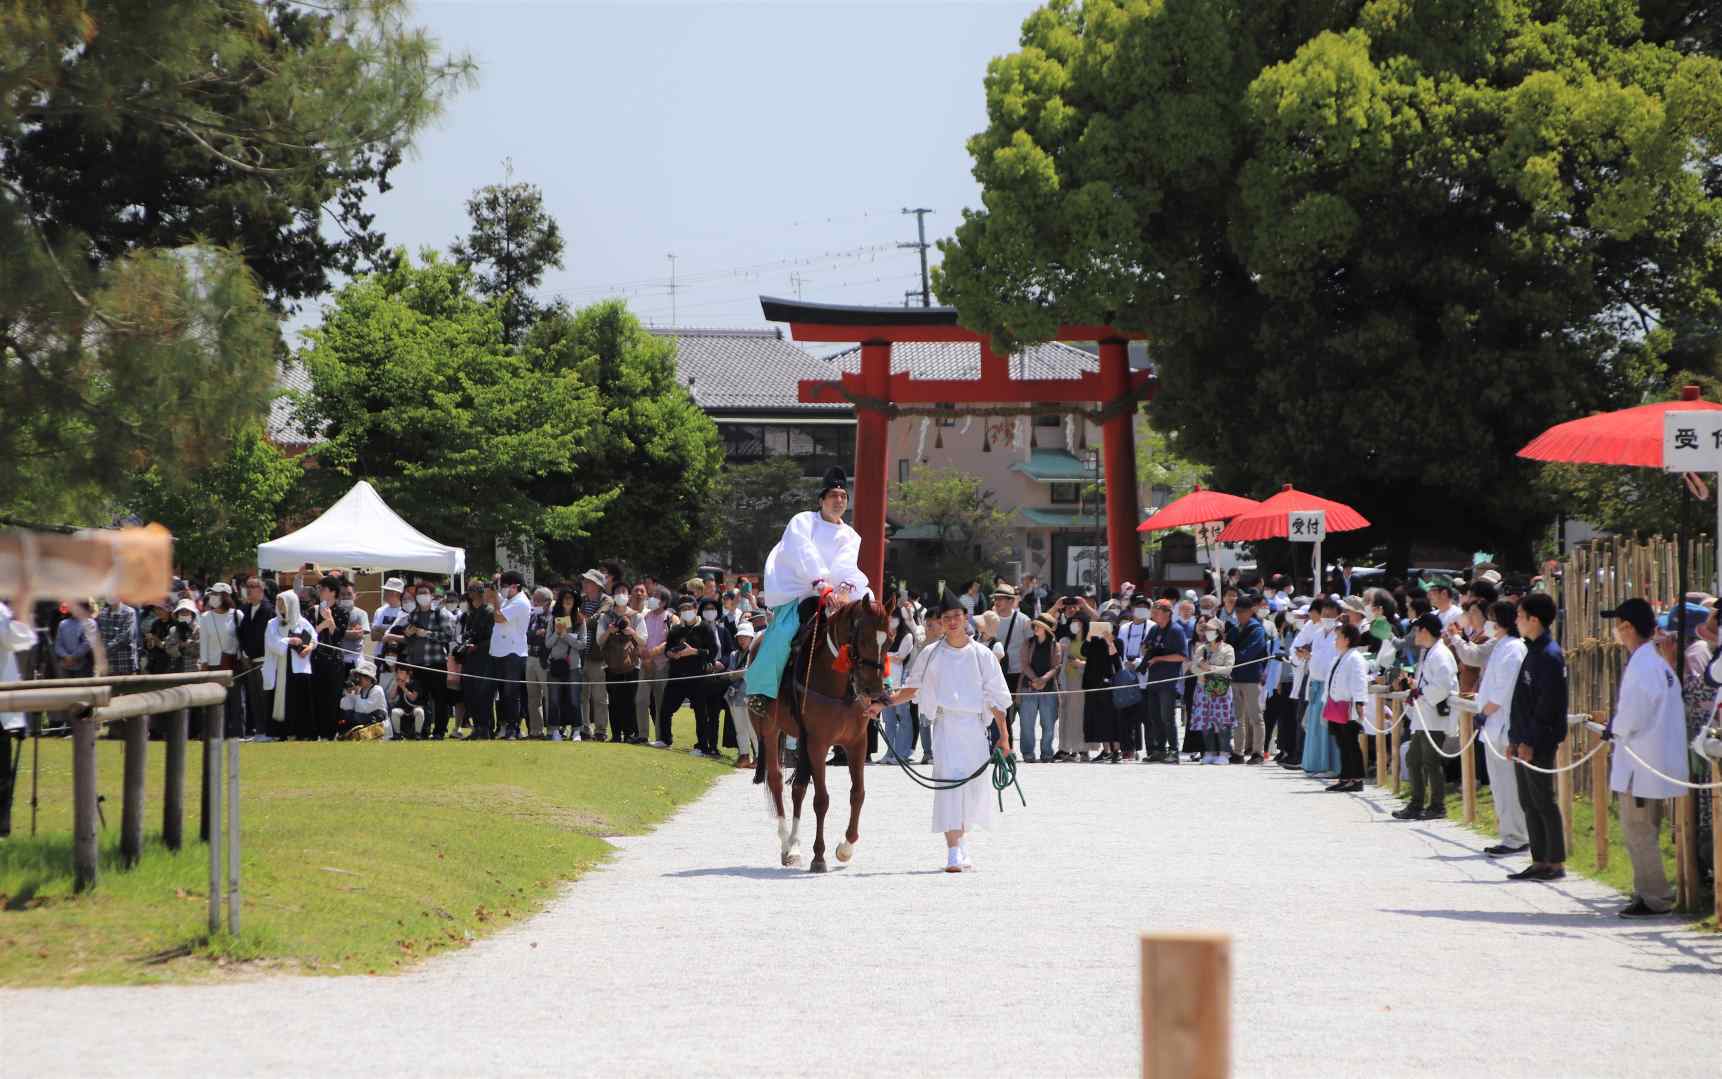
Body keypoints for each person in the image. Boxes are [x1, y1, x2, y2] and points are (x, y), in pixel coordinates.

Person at [878, 589, 1013, 872]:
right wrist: (883, 704)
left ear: (965, 618)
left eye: (956, 616)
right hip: (946, 726)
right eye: (947, 617)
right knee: (948, 785)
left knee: (970, 788)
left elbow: (996, 697)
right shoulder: (930, 654)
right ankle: (953, 851)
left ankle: (962, 846)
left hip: (975, 727)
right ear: (941, 621)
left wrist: (1004, 736)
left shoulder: (982, 655)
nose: (952, 621)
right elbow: (912, 688)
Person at [1601, 597, 1688, 916]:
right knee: (1643, 829)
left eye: (1618, 625)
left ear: (1627, 627)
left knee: (1640, 831)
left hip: (1642, 761)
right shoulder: (1653, 662)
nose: (1616, 632)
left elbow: (1633, 713)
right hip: (1651, 759)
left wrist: (1614, 728)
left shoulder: (1642, 663)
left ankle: (1654, 896)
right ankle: (1646, 891)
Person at [1506, 591, 1569, 882]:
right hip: (1522, 739)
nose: (1516, 621)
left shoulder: (1549, 655)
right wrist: (1514, 738)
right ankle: (1539, 858)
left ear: (1534, 619)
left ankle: (1555, 861)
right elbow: (1522, 702)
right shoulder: (1532, 650)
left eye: (1520, 616)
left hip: (1538, 741)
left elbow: (1547, 705)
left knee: (1543, 799)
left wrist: (1530, 740)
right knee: (1528, 801)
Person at [1471, 599, 1530, 855]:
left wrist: (1485, 712)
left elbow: (1504, 688)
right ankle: (1509, 832)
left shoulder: (1514, 648)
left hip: (1502, 723)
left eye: (1492, 618)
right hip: (1493, 724)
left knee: (1508, 784)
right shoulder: (1500, 646)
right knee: (1499, 784)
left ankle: (1516, 837)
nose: (1488, 623)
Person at [1394, 613, 1457, 820]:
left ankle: (1437, 805)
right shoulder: (1428, 652)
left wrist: (1422, 693)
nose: (1414, 635)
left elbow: (1443, 686)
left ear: (1425, 631)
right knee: (1414, 759)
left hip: (1435, 717)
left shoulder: (1440, 654)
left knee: (1430, 761)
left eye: (1417, 630)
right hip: (1424, 715)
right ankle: (1417, 803)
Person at [660, 596, 718, 754]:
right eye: (683, 609)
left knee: (701, 712)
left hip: (697, 677)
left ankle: (702, 746)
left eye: (689, 609)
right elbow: (667, 650)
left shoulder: (706, 628)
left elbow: (712, 652)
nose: (686, 612)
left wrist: (694, 652)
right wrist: (672, 654)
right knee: (666, 709)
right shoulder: (676, 629)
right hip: (677, 675)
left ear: (695, 609)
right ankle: (665, 739)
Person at [264, 589, 317, 740]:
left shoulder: (302, 622)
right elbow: (272, 643)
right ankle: (282, 732)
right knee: (282, 698)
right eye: (278, 602)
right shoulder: (272, 624)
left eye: (283, 603)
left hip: (299, 667)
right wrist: (289, 641)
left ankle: (301, 732)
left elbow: (314, 637)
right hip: (281, 666)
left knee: (299, 699)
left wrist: (309, 647)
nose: (280, 606)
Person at [1323, 622, 1370, 792]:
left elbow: (1359, 682)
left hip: (1349, 708)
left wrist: (1359, 703)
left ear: (1347, 639)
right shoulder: (1341, 656)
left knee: (1351, 743)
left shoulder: (1355, 658)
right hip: (1336, 705)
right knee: (1342, 743)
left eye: (1339, 637)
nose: (1336, 640)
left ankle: (1356, 779)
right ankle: (1345, 776)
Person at [198, 581, 246, 737]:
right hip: (212, 665)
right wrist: (204, 664)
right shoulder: (205, 617)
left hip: (233, 664)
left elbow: (242, 640)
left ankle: (238, 733)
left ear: (225, 596)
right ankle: (217, 733)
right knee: (217, 701)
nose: (212, 597)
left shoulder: (237, 615)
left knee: (236, 701)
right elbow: (203, 642)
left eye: (216, 594)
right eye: (211, 594)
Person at [1141, 600, 1187, 763]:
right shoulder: (1154, 629)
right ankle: (1159, 749)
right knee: (1154, 716)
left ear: (1167, 612)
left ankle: (1174, 750)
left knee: (1167, 716)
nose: (1153, 614)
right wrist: (1147, 650)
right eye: (1153, 611)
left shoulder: (1176, 630)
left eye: (1157, 611)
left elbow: (1181, 656)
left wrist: (1159, 657)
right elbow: (1145, 646)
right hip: (1153, 679)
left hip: (1168, 680)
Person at [598, 590, 644, 743]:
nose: (621, 596)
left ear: (628, 596)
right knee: (614, 702)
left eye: (624, 592)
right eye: (618, 592)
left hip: (632, 665)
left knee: (630, 701)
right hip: (611, 665)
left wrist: (631, 632)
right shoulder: (605, 617)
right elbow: (600, 641)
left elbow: (643, 641)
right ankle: (616, 734)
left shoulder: (636, 616)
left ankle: (630, 734)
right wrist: (610, 631)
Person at [1188, 617, 1235, 765]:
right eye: (1206, 630)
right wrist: (1201, 673)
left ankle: (1224, 752)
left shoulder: (1228, 648)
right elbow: (1194, 666)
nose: (1208, 632)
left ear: (1219, 632)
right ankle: (1209, 751)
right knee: (1205, 721)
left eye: (1211, 630)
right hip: (1203, 687)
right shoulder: (1202, 648)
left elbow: (1228, 668)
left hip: (1220, 687)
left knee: (1221, 721)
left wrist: (1209, 669)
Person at [1229, 594, 1269, 763]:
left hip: (1251, 677)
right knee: (1237, 717)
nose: (1239, 615)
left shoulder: (1257, 629)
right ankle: (1238, 752)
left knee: (1255, 716)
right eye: (1237, 611)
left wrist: (1230, 658)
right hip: (1236, 676)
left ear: (1250, 611)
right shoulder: (1235, 628)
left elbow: (1251, 652)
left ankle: (1258, 752)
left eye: (1243, 611)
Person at [877, 607, 919, 765]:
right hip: (885, 681)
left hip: (901, 682)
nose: (890, 621)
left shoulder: (906, 636)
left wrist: (884, 656)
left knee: (903, 719)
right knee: (888, 720)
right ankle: (889, 752)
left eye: (893, 618)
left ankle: (902, 752)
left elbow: (900, 658)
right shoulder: (885, 635)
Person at [1017, 614, 1061, 763]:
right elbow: (1024, 664)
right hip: (1028, 687)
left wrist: (1043, 679)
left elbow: (1056, 666)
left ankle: (1047, 752)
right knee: (1027, 723)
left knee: (1048, 723)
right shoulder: (1027, 643)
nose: (1036, 627)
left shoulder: (1055, 645)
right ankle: (1028, 752)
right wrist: (1036, 679)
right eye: (1035, 625)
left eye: (1039, 625)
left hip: (1048, 688)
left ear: (1047, 629)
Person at [545, 587, 585, 741]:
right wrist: (557, 633)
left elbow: (582, 644)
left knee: (574, 699)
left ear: (575, 602)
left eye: (571, 598)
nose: (568, 601)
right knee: (554, 699)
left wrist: (566, 635)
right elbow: (548, 644)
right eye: (565, 598)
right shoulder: (553, 619)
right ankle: (554, 730)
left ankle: (576, 731)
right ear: (561, 601)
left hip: (573, 666)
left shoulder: (580, 620)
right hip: (555, 665)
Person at [237, 579, 275, 740]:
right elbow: (242, 633)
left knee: (264, 697)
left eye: (253, 587)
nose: (250, 591)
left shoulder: (268, 609)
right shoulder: (245, 608)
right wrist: (244, 653)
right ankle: (259, 731)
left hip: (263, 659)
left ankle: (267, 731)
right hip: (248, 659)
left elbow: (263, 636)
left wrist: (252, 653)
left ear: (261, 589)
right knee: (254, 697)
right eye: (248, 587)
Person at [1082, 620, 1124, 762]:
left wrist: (1109, 642)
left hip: (1110, 684)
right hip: (1093, 684)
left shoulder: (1118, 642)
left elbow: (1118, 664)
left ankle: (1116, 750)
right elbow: (1083, 652)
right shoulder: (1094, 641)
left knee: (1113, 719)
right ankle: (1105, 750)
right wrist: (1089, 635)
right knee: (1098, 719)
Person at [577, 569, 611, 739]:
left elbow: (596, 621)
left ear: (598, 585)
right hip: (581, 654)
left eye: (588, 581)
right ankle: (584, 728)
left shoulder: (607, 601)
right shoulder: (582, 601)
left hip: (598, 656)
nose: (585, 584)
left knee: (599, 696)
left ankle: (600, 730)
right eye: (584, 581)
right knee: (582, 695)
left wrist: (581, 620)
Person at [1055, 611, 1091, 762]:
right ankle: (1064, 748)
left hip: (1082, 682)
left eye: (1078, 622)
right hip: (1067, 681)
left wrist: (1080, 664)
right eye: (1072, 622)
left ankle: (1082, 749)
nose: (1074, 625)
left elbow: (1096, 663)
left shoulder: (1090, 642)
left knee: (1080, 716)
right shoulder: (1066, 641)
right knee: (1065, 716)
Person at [524, 586, 555, 739]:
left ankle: (552, 729)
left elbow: (554, 638)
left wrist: (538, 635)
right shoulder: (531, 616)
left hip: (547, 660)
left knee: (550, 696)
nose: (534, 603)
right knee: (533, 697)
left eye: (538, 601)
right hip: (530, 658)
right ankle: (536, 730)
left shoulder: (556, 616)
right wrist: (537, 633)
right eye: (533, 600)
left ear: (548, 602)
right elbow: (526, 635)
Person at [338, 659, 387, 737]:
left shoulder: (377, 690)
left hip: (376, 724)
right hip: (363, 720)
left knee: (353, 717)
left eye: (360, 676)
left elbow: (362, 710)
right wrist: (348, 693)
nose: (358, 679)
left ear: (369, 679)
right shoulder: (360, 689)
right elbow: (345, 706)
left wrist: (357, 693)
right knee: (345, 715)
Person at [96, 596, 140, 676]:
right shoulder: (102, 613)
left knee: (128, 688)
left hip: (125, 662)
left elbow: (126, 636)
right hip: (107, 664)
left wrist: (105, 650)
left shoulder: (129, 612)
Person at [54, 599, 96, 677]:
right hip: (65, 666)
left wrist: (73, 657)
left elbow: (87, 643)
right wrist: (65, 656)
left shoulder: (90, 623)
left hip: (84, 665)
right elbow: (58, 644)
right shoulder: (63, 624)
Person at [388, 665, 426, 740]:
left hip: (414, 707)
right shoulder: (398, 684)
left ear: (408, 674)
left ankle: (417, 734)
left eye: (401, 672)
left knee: (419, 711)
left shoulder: (415, 682)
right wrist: (396, 684)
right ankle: (397, 734)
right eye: (397, 672)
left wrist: (403, 688)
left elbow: (413, 698)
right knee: (394, 712)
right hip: (403, 708)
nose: (399, 674)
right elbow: (391, 697)